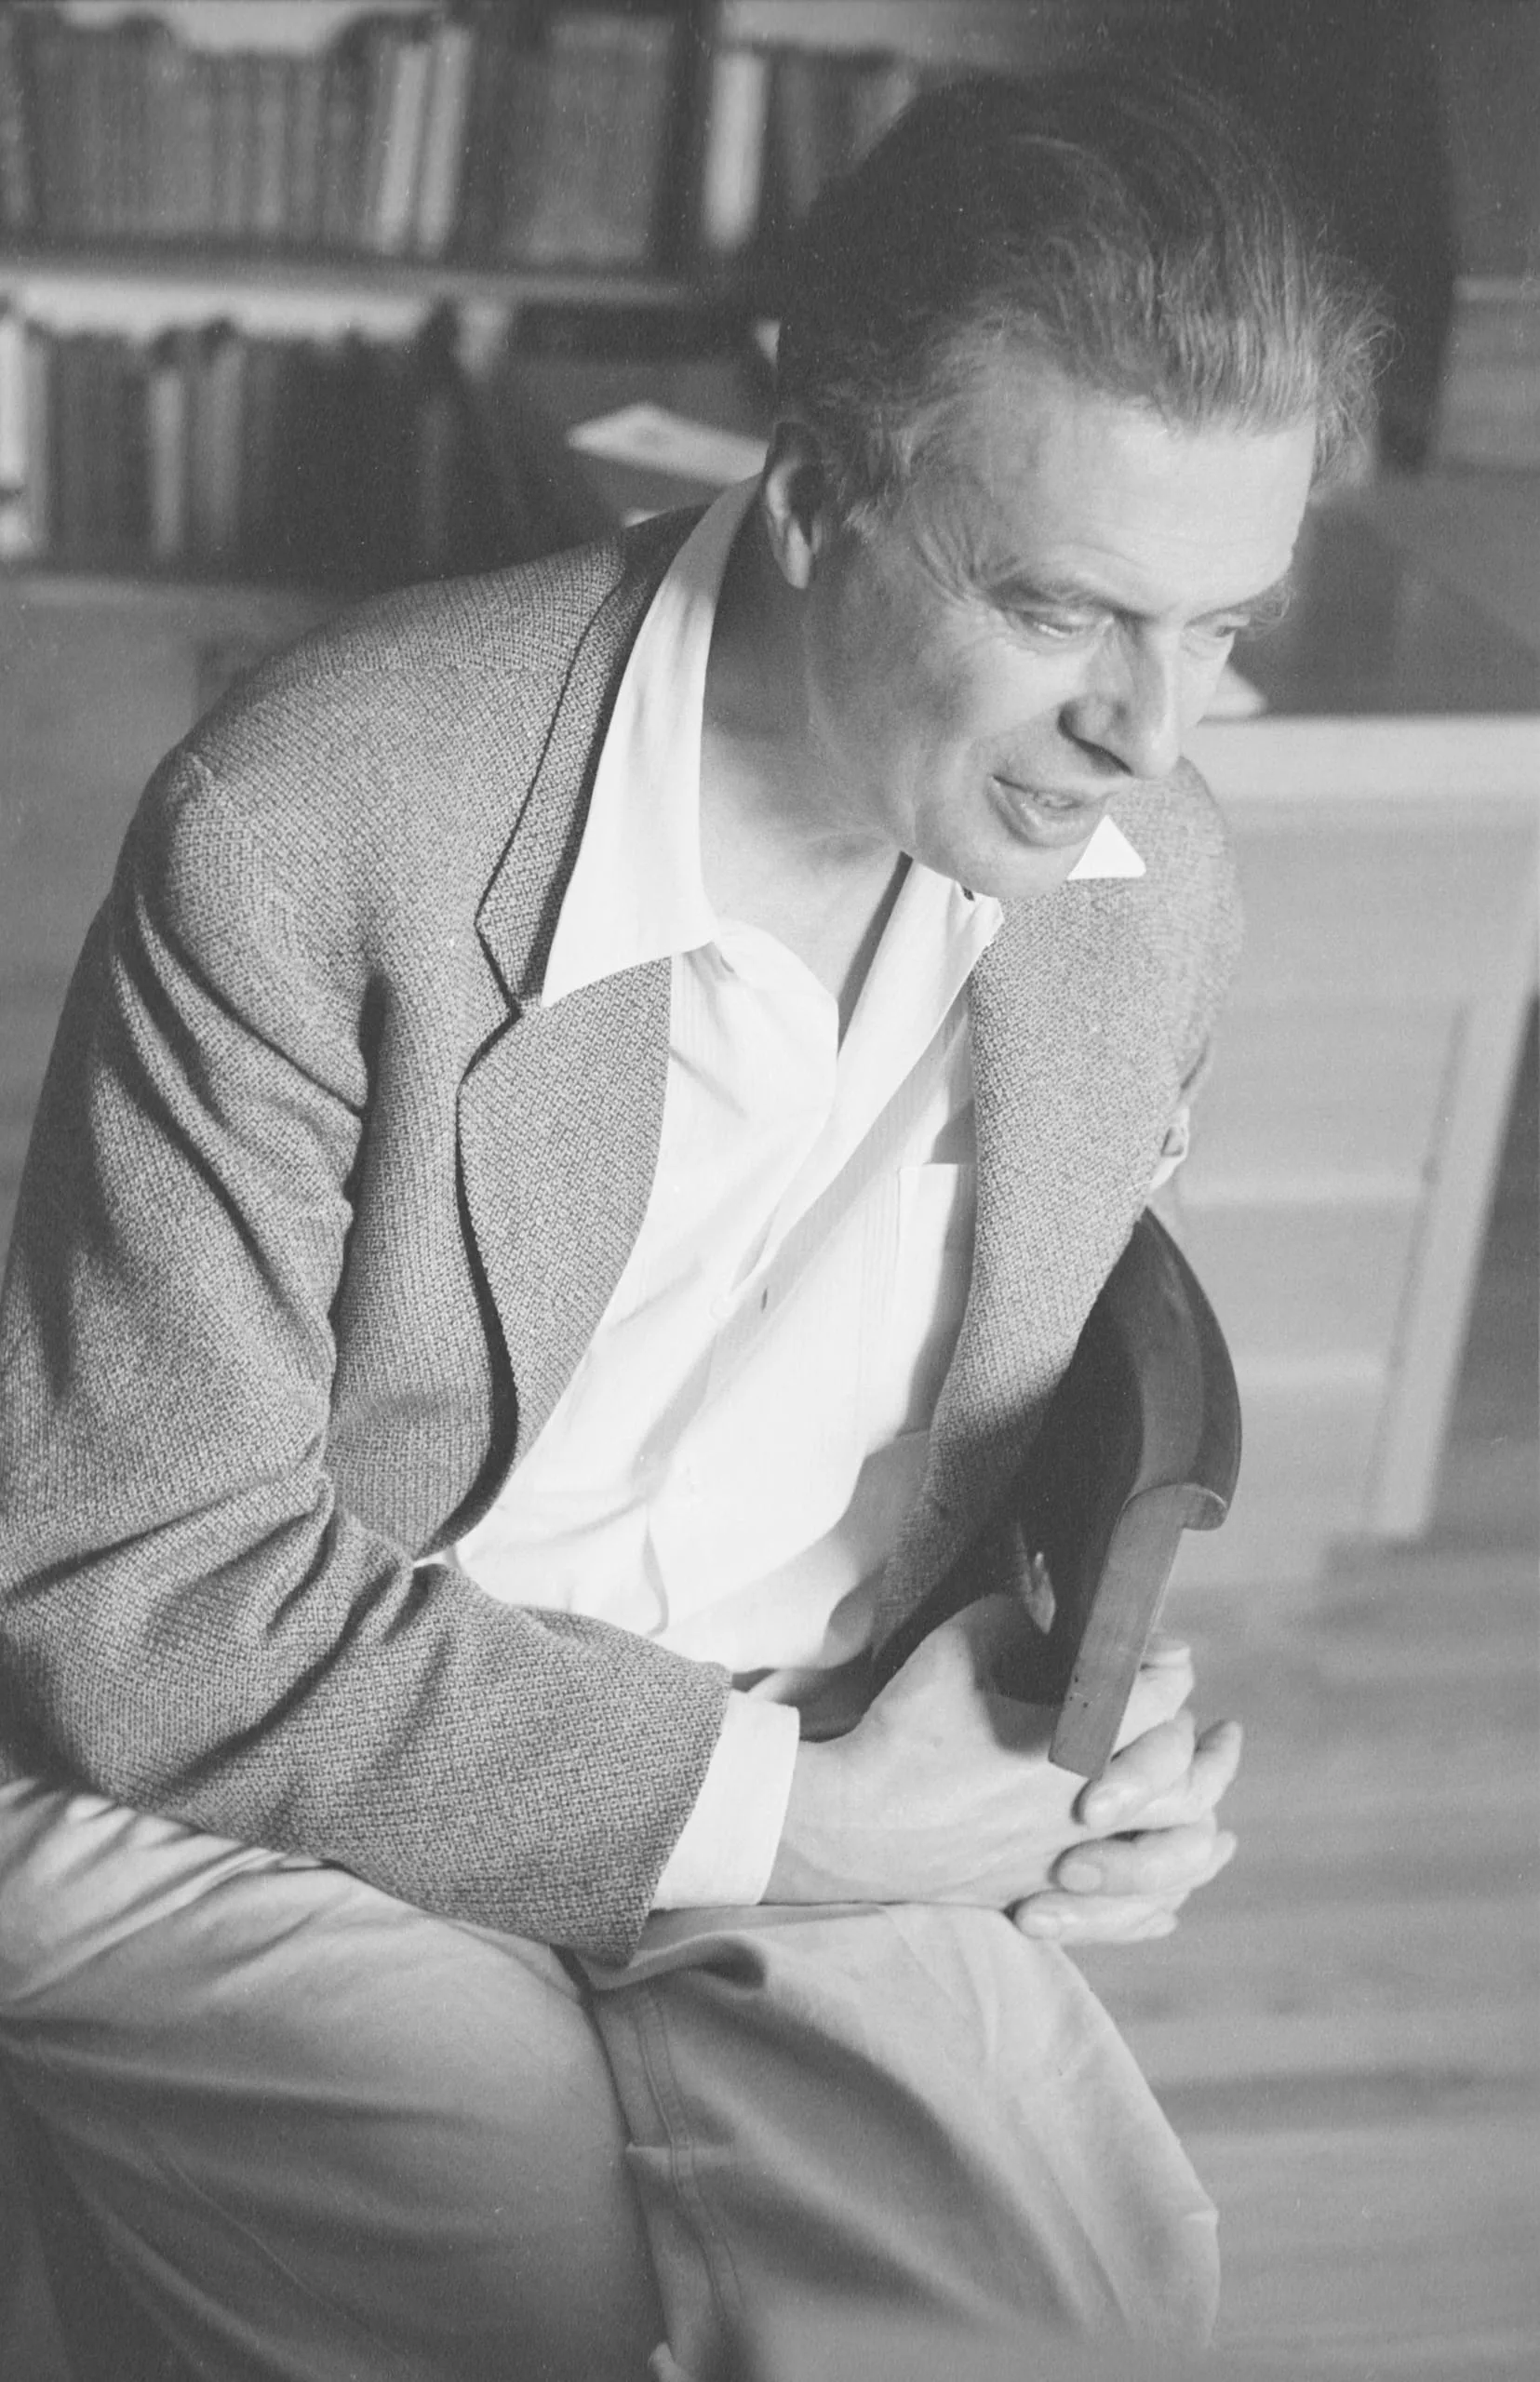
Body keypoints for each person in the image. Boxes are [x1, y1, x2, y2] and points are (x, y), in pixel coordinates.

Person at [0, 66, 1380, 2382]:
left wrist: (1073, 1731)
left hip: (801, 1722)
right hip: (250, 1757)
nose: (1148, 730)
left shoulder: (1149, 890)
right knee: (508, 2247)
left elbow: (1005, 1430)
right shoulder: (316, 815)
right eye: (1060, 607)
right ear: (818, 488)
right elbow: (134, 1589)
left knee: (1091, 2304)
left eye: (1216, 625)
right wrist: (797, 1826)